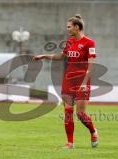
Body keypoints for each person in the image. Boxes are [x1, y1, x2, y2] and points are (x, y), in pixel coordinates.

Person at [33, 14, 98, 149]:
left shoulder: (89, 43)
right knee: (68, 113)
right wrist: (45, 56)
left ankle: (93, 131)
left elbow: (91, 64)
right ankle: (70, 143)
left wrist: (85, 82)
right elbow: (61, 57)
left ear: (76, 27)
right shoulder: (70, 42)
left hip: (82, 80)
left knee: (80, 114)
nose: (67, 29)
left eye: (69, 27)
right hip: (69, 80)